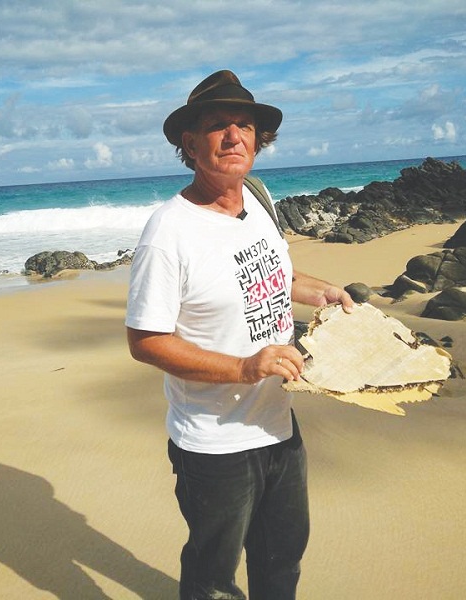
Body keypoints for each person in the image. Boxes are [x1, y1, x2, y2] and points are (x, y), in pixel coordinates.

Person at [125, 70, 354, 600]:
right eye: (218, 125)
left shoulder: (257, 199)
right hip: (215, 444)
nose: (234, 136)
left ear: (258, 138)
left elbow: (274, 272)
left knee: (282, 562)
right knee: (213, 581)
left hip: (279, 427)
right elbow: (145, 341)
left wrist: (322, 292)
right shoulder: (169, 232)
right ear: (190, 143)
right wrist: (245, 368)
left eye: (244, 125)